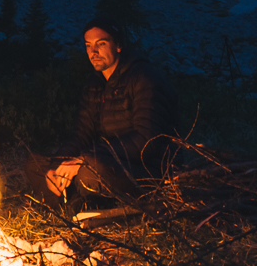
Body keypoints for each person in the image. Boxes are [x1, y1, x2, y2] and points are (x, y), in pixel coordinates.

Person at [24, 17, 182, 212]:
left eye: (101, 44)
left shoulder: (144, 78)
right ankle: (79, 204)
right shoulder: (95, 84)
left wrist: (86, 159)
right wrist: (57, 166)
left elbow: (146, 140)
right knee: (37, 166)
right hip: (103, 161)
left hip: (147, 170)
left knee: (89, 173)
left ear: (118, 46)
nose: (93, 52)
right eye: (88, 45)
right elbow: (81, 134)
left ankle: (86, 204)